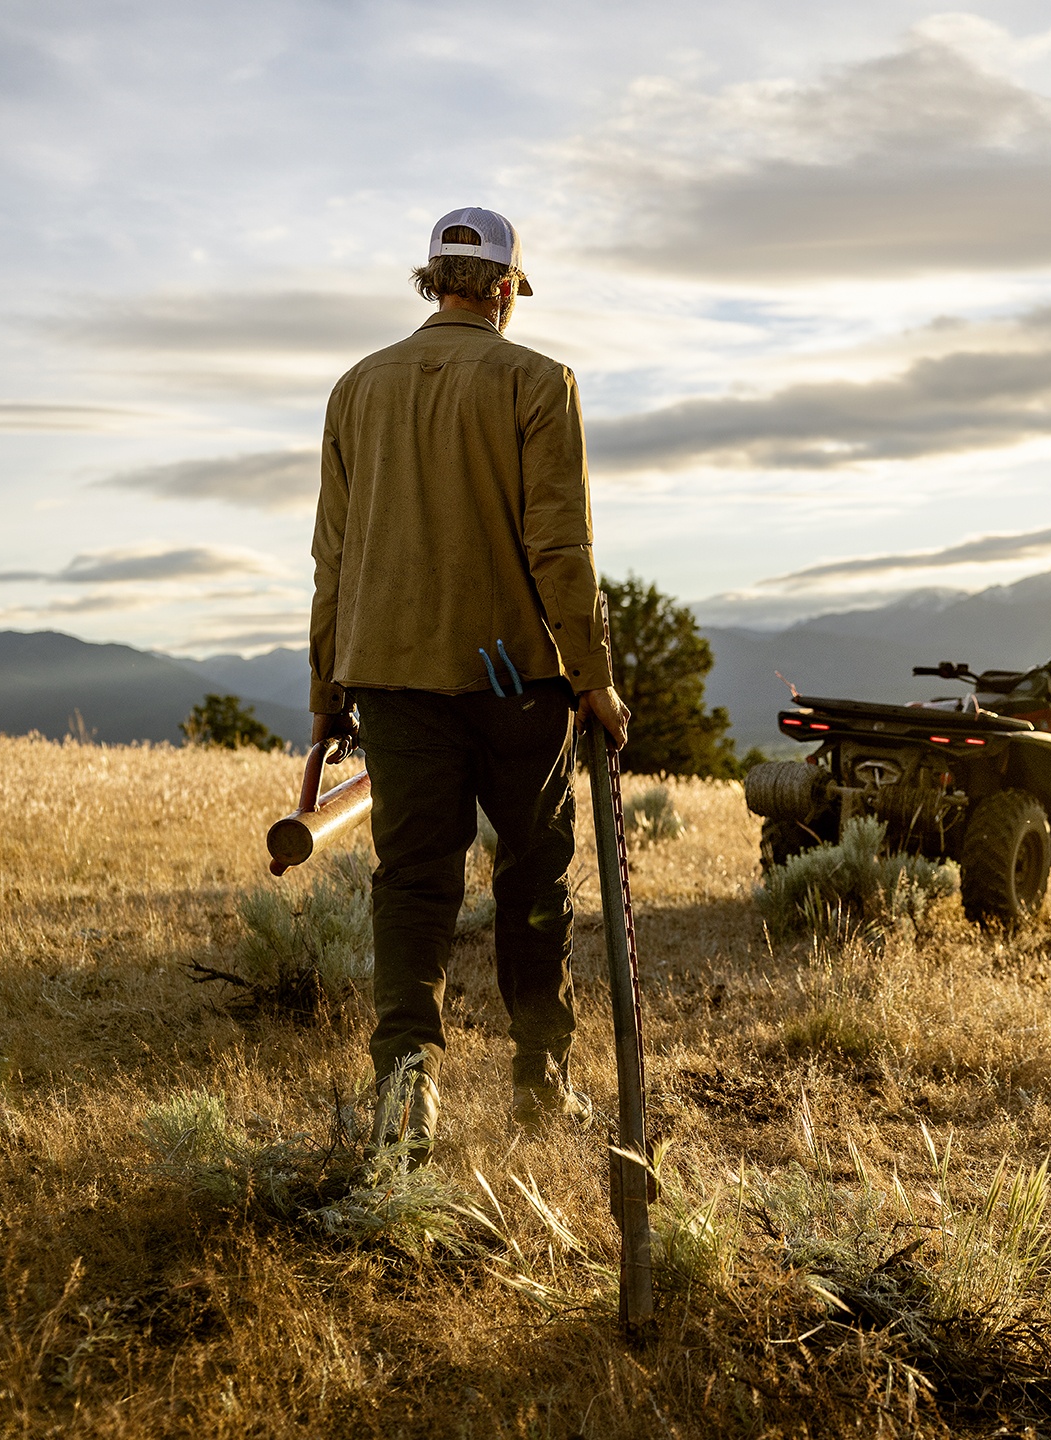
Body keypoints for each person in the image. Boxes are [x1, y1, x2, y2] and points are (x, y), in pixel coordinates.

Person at [307, 206, 630, 1158]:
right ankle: (542, 1083)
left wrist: (328, 688)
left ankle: (407, 1098)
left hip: (390, 678)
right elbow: (560, 549)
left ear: (431, 281)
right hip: (516, 682)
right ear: (501, 291)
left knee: (411, 884)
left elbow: (332, 554)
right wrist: (595, 679)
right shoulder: (539, 381)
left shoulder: (356, 388)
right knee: (534, 874)